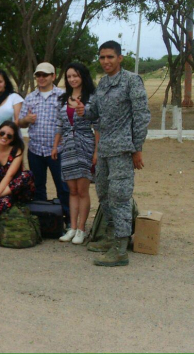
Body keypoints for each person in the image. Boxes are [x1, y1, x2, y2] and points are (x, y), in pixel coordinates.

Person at [75, 41, 150, 267]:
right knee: (104, 195)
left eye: (110, 57)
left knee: (120, 197)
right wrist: (83, 111)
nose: (105, 61)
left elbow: (142, 117)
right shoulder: (103, 84)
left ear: (120, 58)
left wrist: (137, 149)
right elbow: (94, 112)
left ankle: (120, 248)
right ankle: (110, 237)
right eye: (102, 58)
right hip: (105, 150)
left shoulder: (131, 81)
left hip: (122, 150)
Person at [52, 63, 99, 245]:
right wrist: (55, 146)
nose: (72, 79)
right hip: (68, 148)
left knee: (82, 190)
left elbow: (97, 126)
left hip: (85, 146)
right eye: (69, 76)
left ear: (83, 77)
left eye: (76, 76)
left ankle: (81, 229)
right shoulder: (64, 99)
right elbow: (60, 124)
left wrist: (96, 151)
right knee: (71, 190)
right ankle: (71, 227)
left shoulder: (92, 98)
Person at [19, 62, 70, 222]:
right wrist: (26, 119)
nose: (41, 78)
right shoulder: (30, 97)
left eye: (45, 75)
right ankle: (43, 220)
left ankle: (68, 220)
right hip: (35, 150)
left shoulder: (62, 96)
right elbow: (20, 122)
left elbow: (68, 123)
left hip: (58, 150)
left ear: (53, 76)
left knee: (63, 187)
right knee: (38, 186)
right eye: (38, 75)